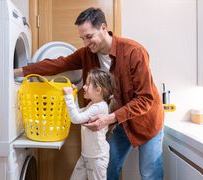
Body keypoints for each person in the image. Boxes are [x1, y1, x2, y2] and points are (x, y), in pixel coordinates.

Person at [14, 7, 164, 180]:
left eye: (89, 36)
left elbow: (145, 99)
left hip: (146, 120)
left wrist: (109, 118)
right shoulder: (86, 54)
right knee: (107, 170)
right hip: (117, 123)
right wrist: (18, 72)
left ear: (103, 28)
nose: (86, 43)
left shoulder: (133, 52)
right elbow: (58, 64)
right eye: (82, 38)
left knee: (150, 174)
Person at [63, 68, 115, 180]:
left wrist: (68, 97)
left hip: (96, 158)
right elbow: (78, 113)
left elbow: (76, 119)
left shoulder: (100, 107)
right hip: (86, 155)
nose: (84, 87)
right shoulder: (93, 104)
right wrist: (73, 96)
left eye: (87, 84)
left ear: (98, 90)